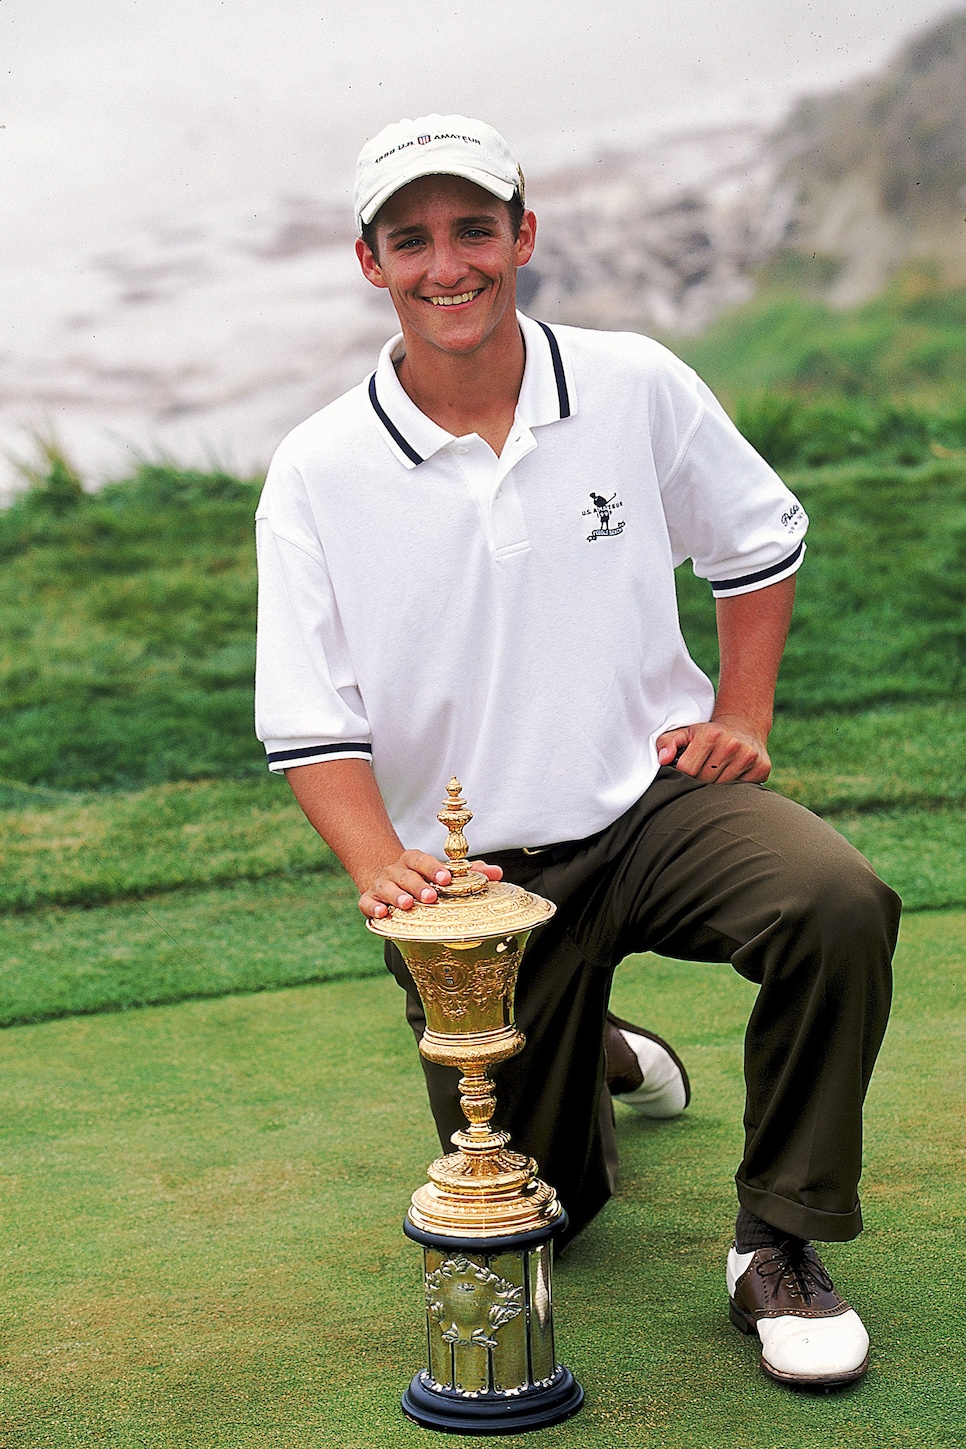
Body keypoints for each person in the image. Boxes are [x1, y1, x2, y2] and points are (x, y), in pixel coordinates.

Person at [254, 114, 900, 1390]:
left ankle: (779, 1241)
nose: (450, 264)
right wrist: (378, 864)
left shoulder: (633, 381)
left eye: (475, 230)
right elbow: (309, 716)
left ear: (525, 236)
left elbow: (757, 538)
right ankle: (591, 1037)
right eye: (413, 239)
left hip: (651, 804)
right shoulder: (318, 469)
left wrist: (744, 714)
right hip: (476, 887)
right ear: (370, 262)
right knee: (552, 1211)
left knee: (836, 903)